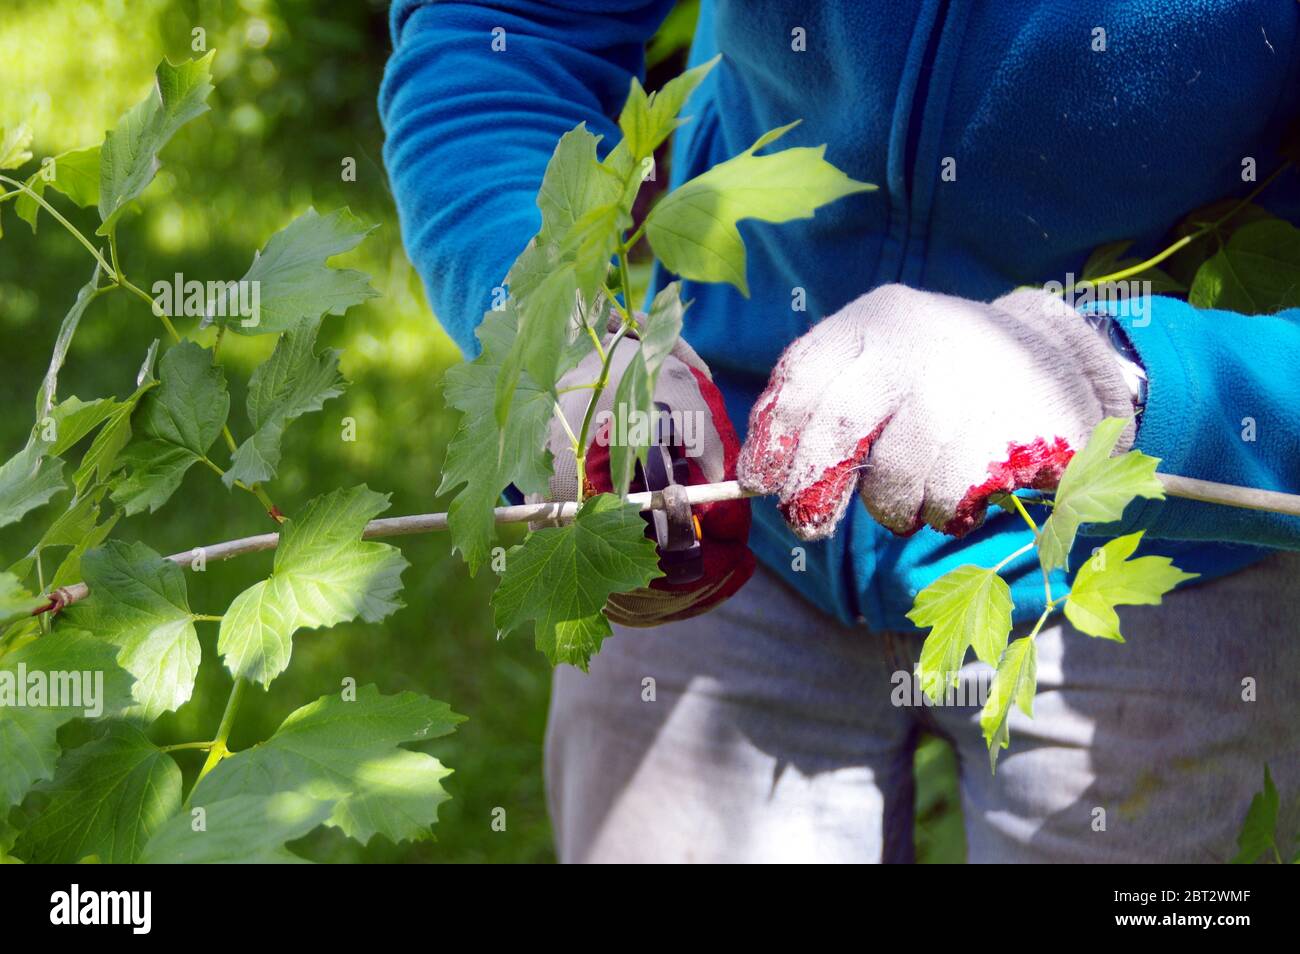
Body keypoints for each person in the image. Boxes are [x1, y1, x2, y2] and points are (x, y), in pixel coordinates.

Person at [381, 0, 1300, 862]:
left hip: (1171, 548)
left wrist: (1106, 378)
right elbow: (507, 26)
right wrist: (546, 330)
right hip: (704, 504)